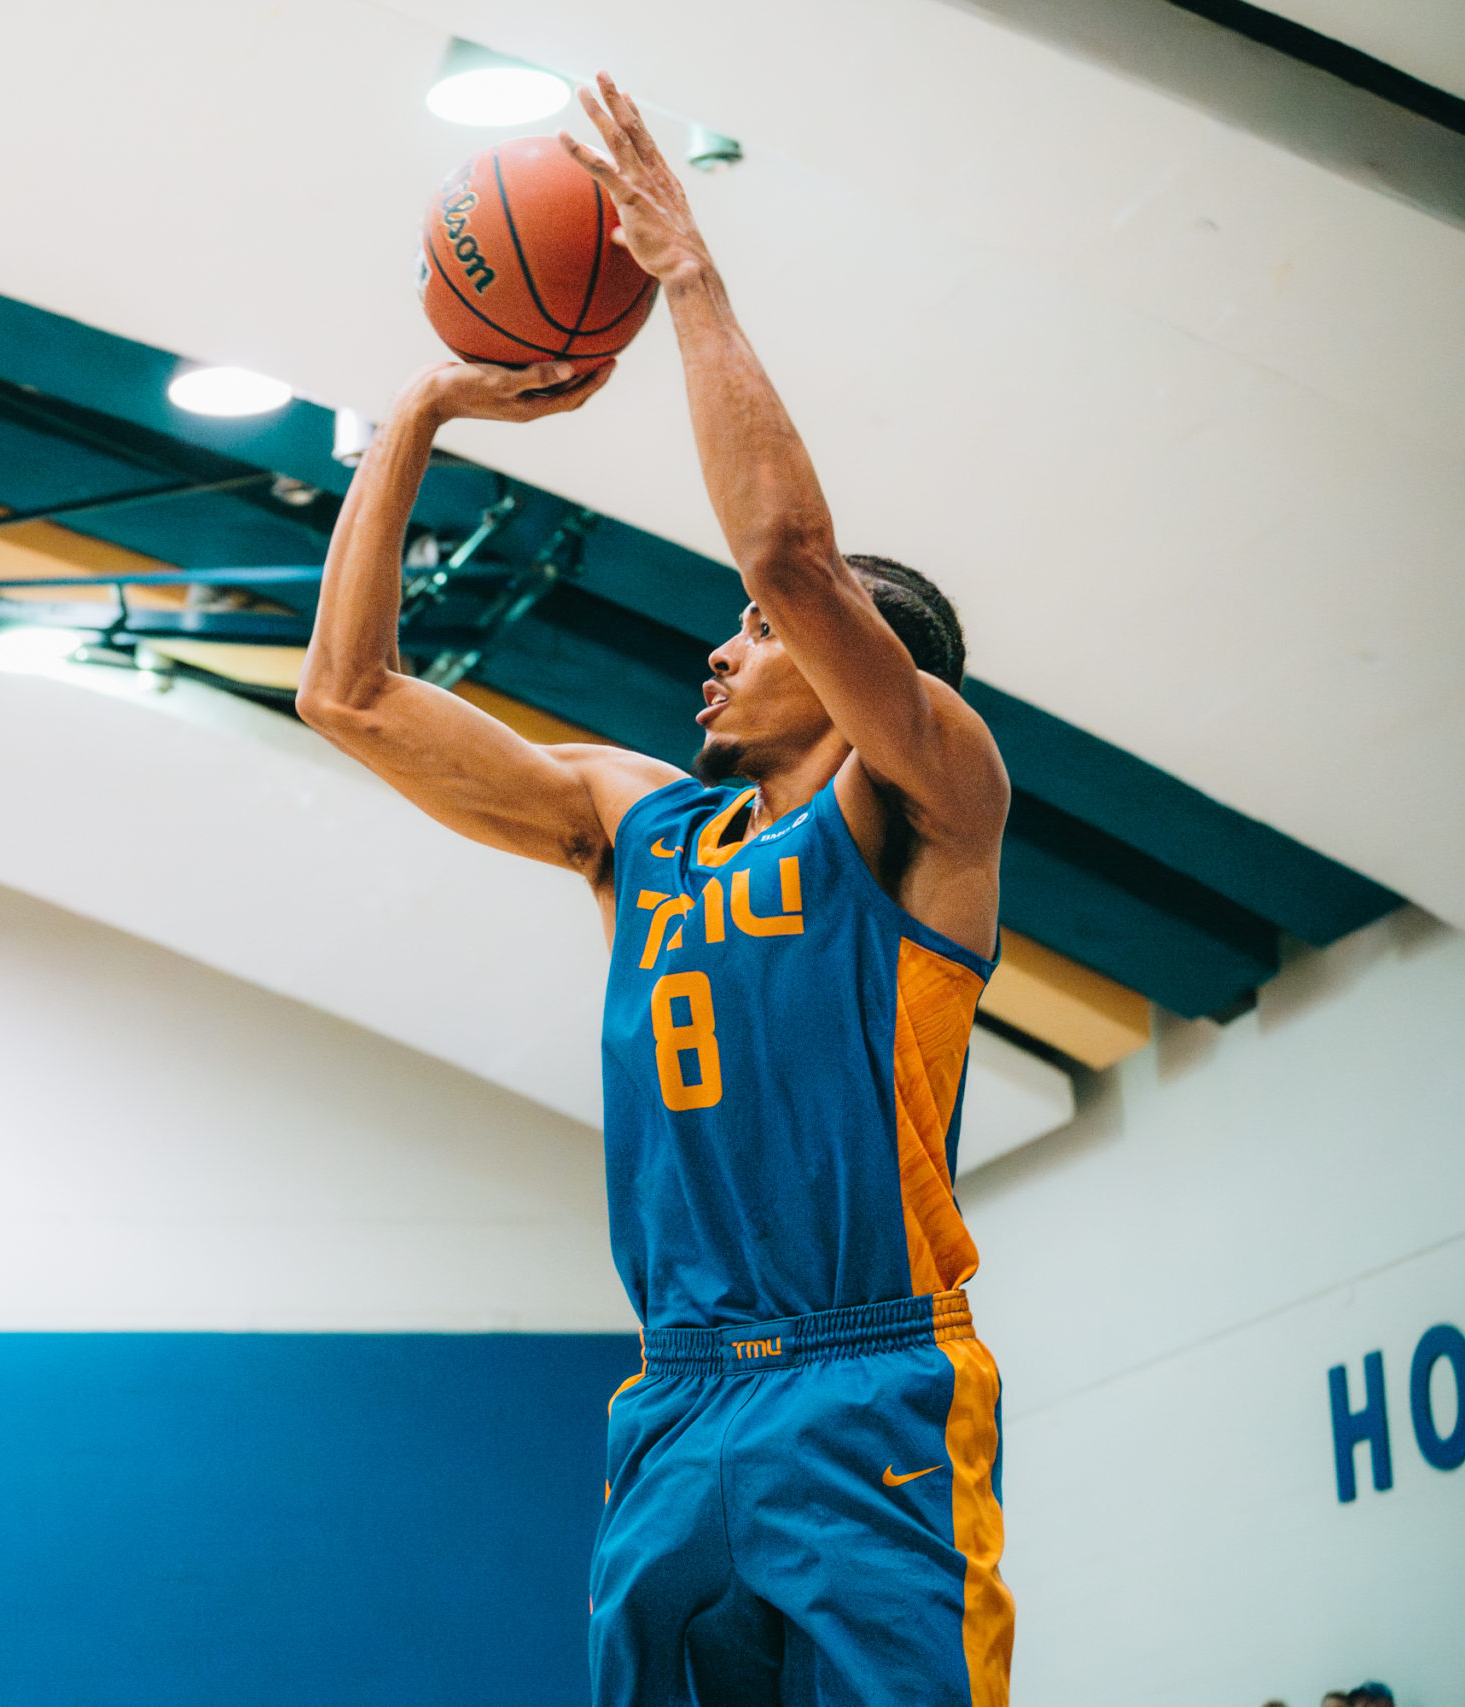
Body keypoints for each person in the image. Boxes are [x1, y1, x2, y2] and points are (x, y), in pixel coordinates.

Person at [297, 74, 1015, 1705]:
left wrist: (687, 276)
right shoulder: (642, 830)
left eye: (757, 642)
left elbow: (789, 561)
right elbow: (346, 695)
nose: (724, 642)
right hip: (676, 1402)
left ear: (860, 668)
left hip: (872, 1386)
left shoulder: (931, 800)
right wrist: (419, 413)